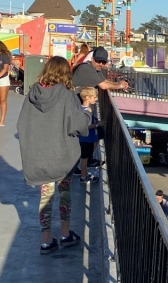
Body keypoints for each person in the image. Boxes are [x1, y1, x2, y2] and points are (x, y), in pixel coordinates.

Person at [17, 56, 90, 254]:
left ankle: (46, 240)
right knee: (64, 194)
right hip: (63, 157)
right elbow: (79, 126)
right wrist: (87, 111)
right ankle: (66, 235)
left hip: (41, 156)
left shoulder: (33, 93)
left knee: (45, 196)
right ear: (66, 72)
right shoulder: (67, 95)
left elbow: (22, 125)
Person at [76, 87, 101, 184]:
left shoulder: (81, 108)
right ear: (87, 97)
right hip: (86, 138)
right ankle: (83, 176)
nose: (96, 99)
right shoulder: (87, 110)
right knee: (85, 159)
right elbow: (86, 125)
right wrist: (97, 125)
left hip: (86, 138)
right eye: (94, 97)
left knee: (85, 158)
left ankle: (84, 174)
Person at [0, 40, 12, 127]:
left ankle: (2, 120)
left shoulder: (4, 56)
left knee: (2, 100)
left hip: (3, 80)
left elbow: (5, 69)